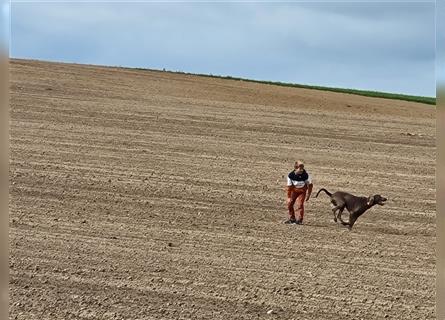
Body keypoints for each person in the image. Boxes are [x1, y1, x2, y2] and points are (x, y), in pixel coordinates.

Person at [285, 160, 313, 224]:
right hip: (294, 190)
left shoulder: (306, 175)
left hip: (302, 191)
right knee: (290, 204)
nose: (301, 170)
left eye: (302, 169)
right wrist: (289, 197)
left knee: (300, 204)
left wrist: (308, 195)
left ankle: (300, 220)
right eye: (300, 169)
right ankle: (292, 218)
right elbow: (289, 187)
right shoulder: (290, 176)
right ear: (295, 168)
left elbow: (310, 185)